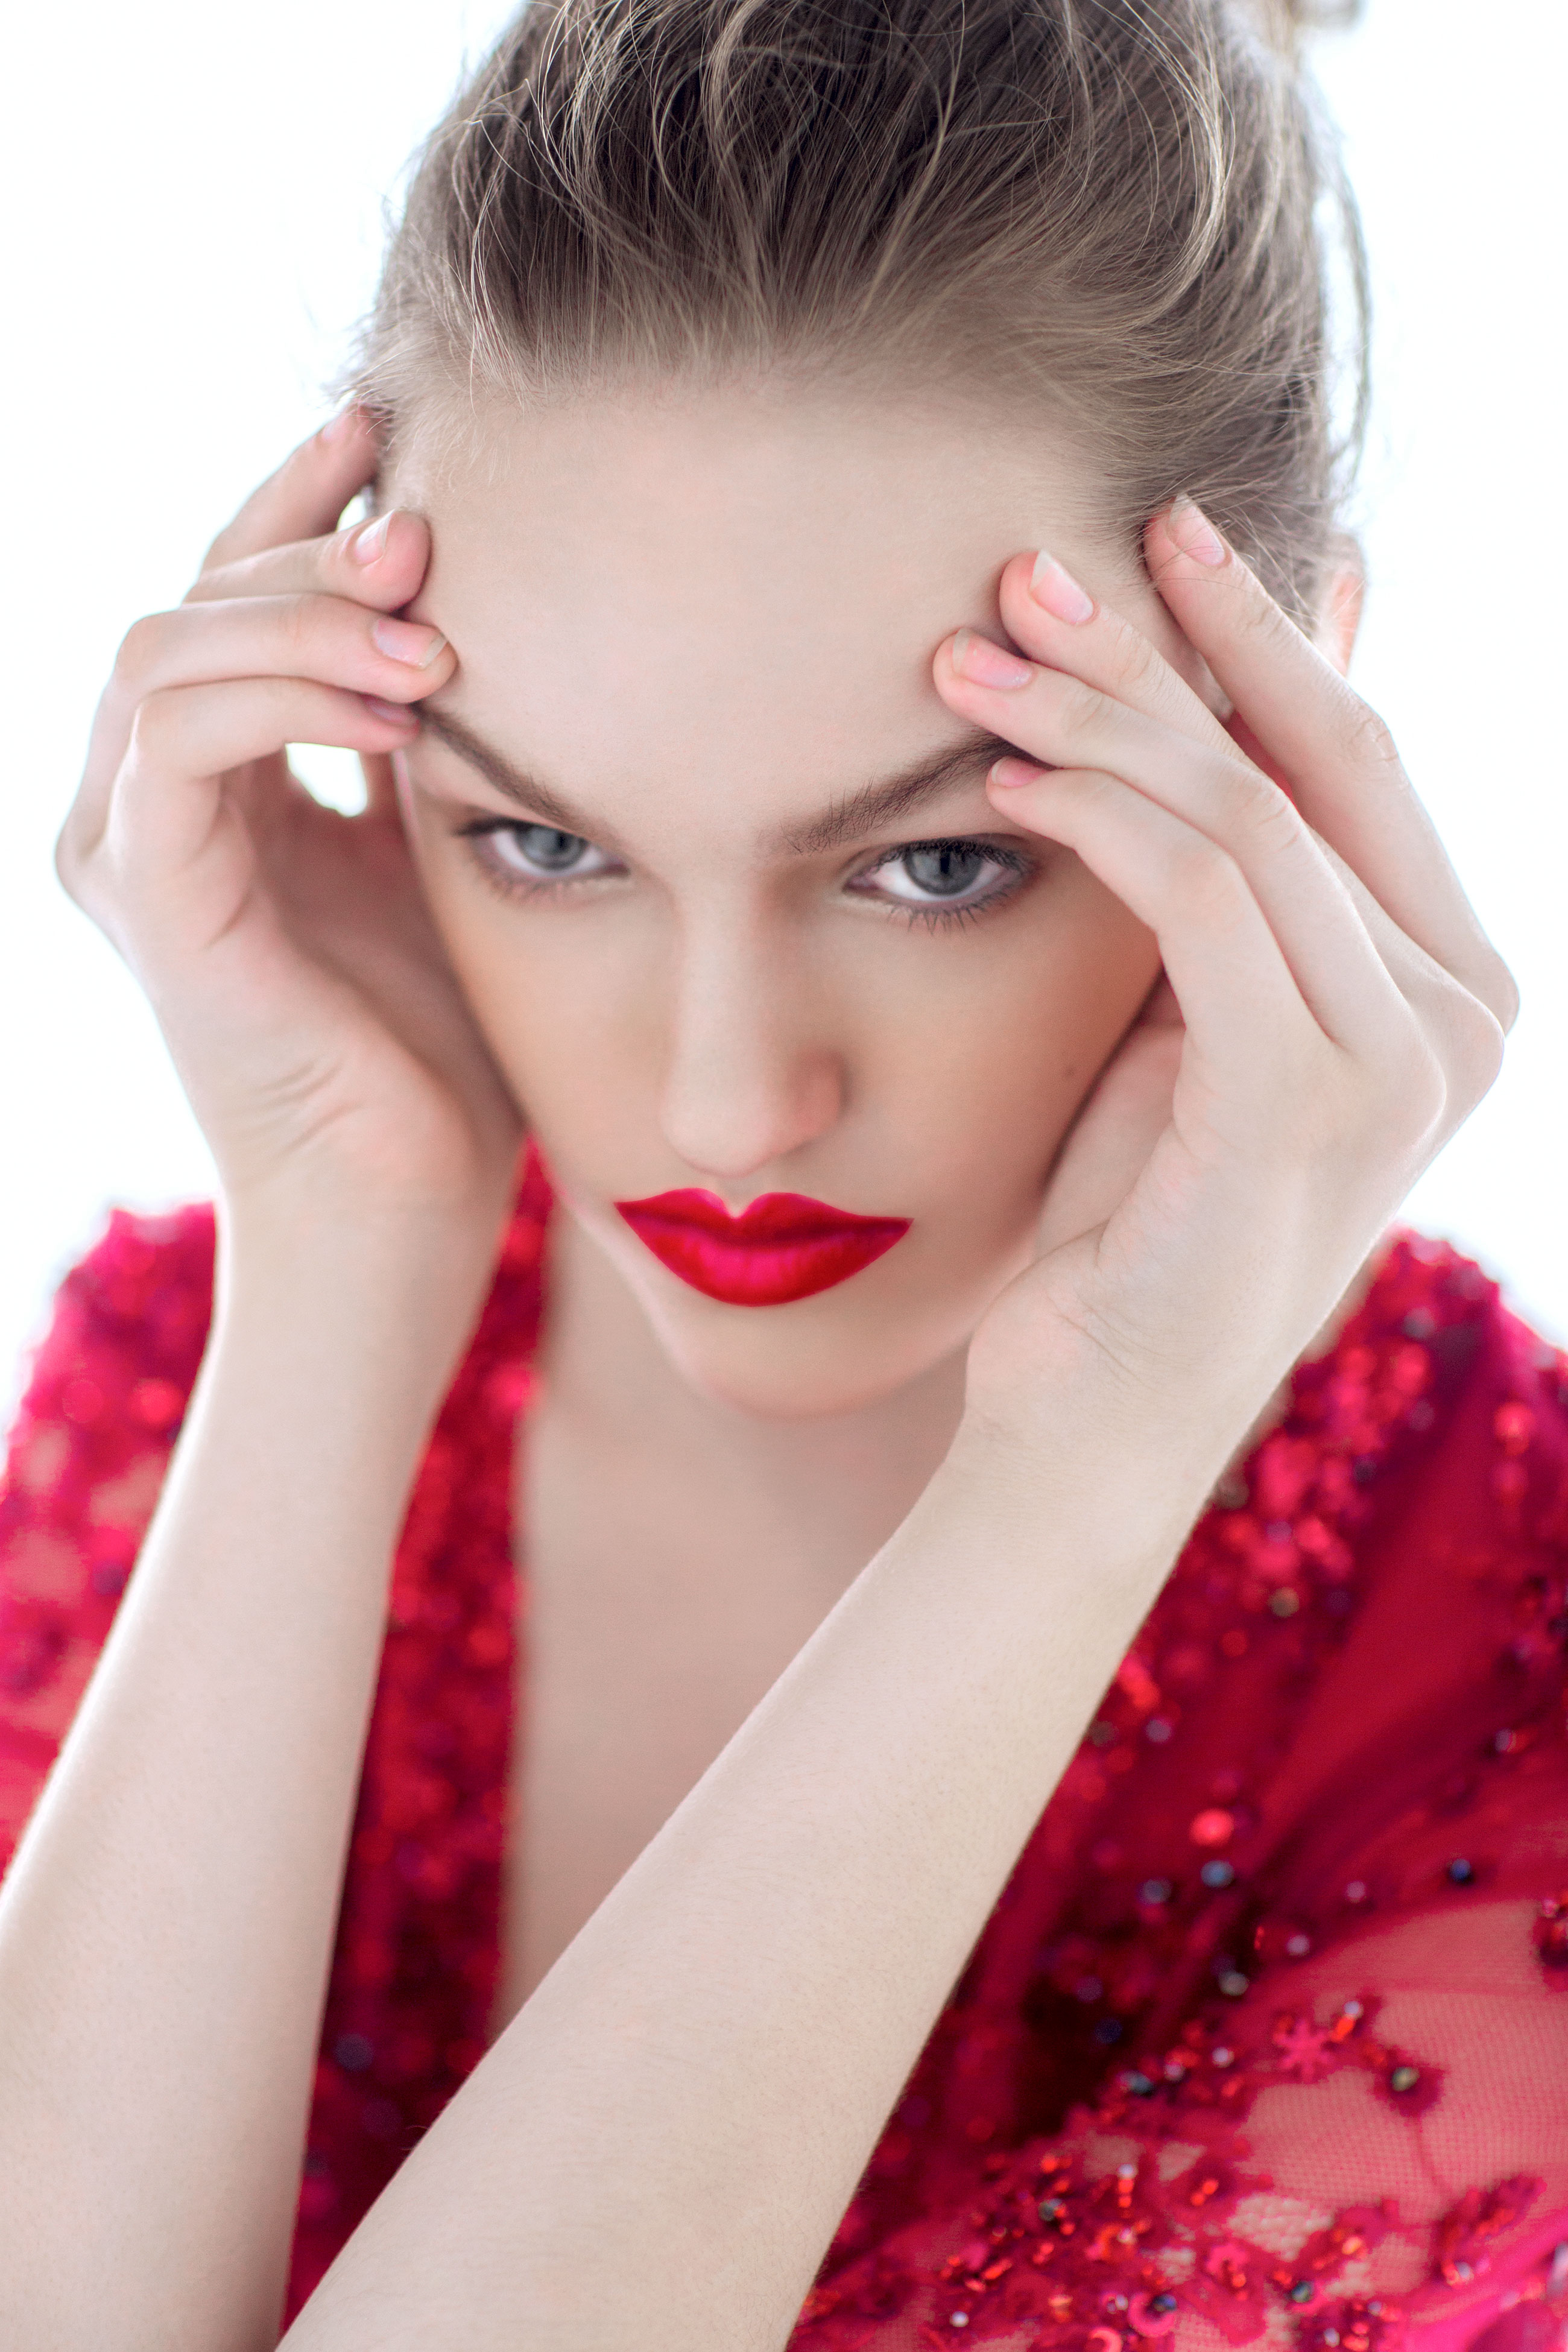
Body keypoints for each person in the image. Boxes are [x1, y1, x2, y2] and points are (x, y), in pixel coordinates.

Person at [0, 0, 1563, 2342]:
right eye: (544, 843)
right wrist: (337, 1246)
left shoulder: (1508, 1651)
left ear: (1290, 724)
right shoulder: (186, 1371)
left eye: (933, 865)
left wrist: (1087, 1456)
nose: (727, 1109)